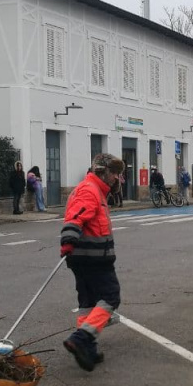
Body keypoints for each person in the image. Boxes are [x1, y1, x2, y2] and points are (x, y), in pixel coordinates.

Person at [61, 153, 125, 372]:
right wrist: (68, 239)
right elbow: (76, 216)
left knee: (87, 302)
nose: (117, 178)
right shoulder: (89, 190)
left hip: (84, 257)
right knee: (110, 297)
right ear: (102, 172)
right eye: (115, 173)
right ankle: (82, 338)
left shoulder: (95, 189)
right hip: (93, 257)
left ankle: (88, 348)